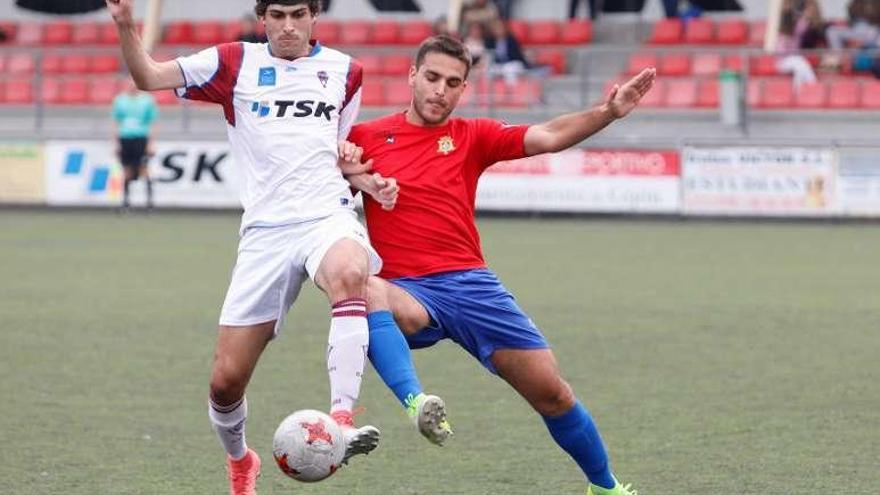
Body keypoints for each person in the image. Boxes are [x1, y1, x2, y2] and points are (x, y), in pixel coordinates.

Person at [105, 1, 399, 494]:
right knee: (225, 382)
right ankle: (241, 460)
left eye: (299, 13)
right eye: (278, 14)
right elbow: (149, 77)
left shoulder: (347, 71)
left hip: (326, 215)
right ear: (262, 16)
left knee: (351, 272)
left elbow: (336, 150)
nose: (288, 25)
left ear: (314, 16)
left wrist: (365, 179)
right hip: (265, 232)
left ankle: (342, 419)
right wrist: (125, 26)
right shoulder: (232, 62)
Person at [344, 35, 655, 495]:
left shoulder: (471, 136)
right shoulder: (367, 138)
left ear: (463, 88)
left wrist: (607, 111)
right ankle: (417, 403)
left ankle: (605, 488)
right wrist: (350, 170)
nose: (440, 91)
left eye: (453, 83)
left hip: (472, 286)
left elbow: (547, 136)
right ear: (412, 76)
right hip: (407, 292)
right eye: (431, 78)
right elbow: (318, 184)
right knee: (365, 286)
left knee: (553, 393)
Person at [112, 79, 158, 210]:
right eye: (130, 83)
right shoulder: (119, 100)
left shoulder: (148, 100)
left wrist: (150, 144)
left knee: (144, 169)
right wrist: (116, 144)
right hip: (125, 138)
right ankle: (126, 203)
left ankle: (149, 203)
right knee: (126, 170)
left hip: (141, 138)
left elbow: (152, 123)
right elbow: (116, 122)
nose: (132, 86)